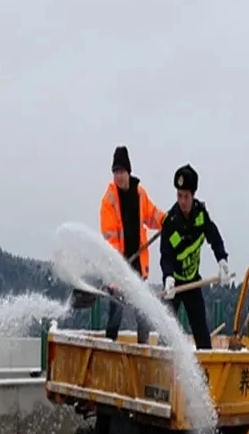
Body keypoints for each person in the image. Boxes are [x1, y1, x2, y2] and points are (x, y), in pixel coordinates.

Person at [160, 164, 231, 349]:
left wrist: (222, 260)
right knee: (166, 333)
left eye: (186, 196)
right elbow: (165, 255)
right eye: (179, 196)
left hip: (192, 282)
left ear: (193, 195)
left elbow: (213, 237)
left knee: (201, 332)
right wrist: (168, 276)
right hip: (173, 285)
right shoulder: (171, 222)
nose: (182, 201)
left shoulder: (200, 214)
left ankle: (206, 371)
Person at [99, 145, 166, 344]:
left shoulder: (139, 194)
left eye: (122, 171)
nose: (119, 176)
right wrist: (119, 266)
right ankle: (109, 345)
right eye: (115, 172)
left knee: (141, 310)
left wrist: (166, 221)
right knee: (116, 310)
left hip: (136, 264)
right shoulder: (109, 200)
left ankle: (143, 346)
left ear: (128, 171)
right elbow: (110, 238)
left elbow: (152, 215)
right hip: (118, 266)